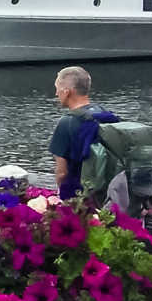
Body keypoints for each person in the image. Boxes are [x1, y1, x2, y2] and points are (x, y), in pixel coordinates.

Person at [50, 65, 114, 200]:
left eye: (57, 89)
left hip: (81, 199)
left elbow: (62, 173)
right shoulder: (103, 113)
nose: (56, 94)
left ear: (67, 91)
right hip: (108, 193)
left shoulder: (66, 123)